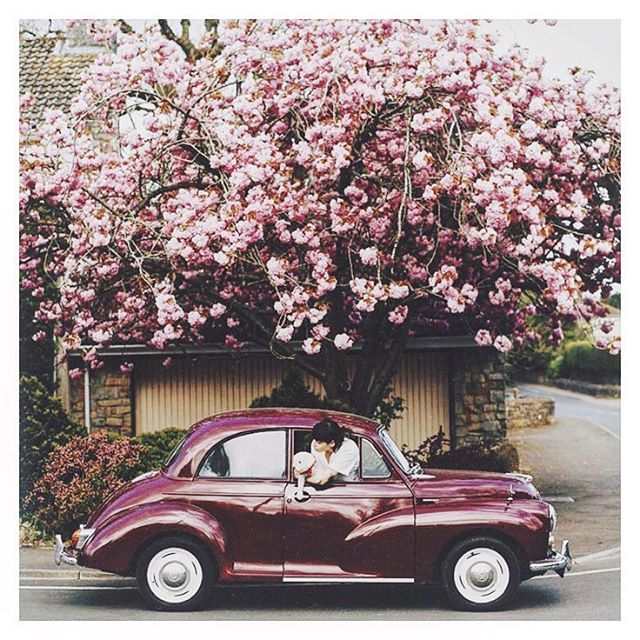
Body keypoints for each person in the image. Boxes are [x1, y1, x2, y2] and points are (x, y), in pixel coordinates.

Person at [300, 418, 359, 485]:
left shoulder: (348, 448)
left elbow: (321, 480)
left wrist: (300, 477)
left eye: (319, 442)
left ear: (332, 443)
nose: (314, 444)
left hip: (348, 488)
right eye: (315, 440)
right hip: (324, 488)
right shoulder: (316, 444)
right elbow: (316, 471)